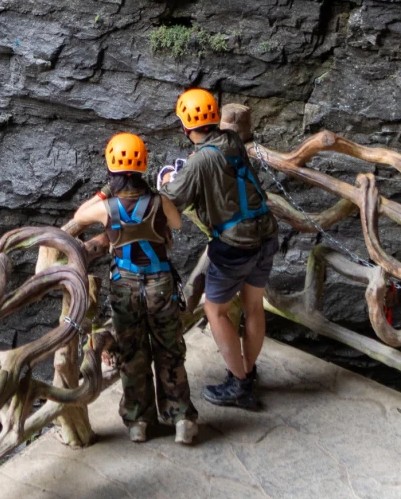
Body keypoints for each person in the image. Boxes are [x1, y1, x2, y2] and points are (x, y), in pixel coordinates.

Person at [72, 133, 197, 446]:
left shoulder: (108, 208)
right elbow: (177, 224)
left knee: (132, 353)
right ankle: (180, 418)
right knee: (170, 350)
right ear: (143, 164)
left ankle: (138, 421)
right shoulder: (159, 201)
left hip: (125, 285)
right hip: (160, 284)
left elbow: (79, 216)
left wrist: (104, 192)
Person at [158, 88, 278, 410]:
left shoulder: (199, 162)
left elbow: (172, 200)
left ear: (185, 127)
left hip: (236, 245)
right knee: (254, 306)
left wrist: (170, 177)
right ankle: (247, 372)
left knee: (215, 311)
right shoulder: (232, 140)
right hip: (266, 232)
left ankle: (240, 386)